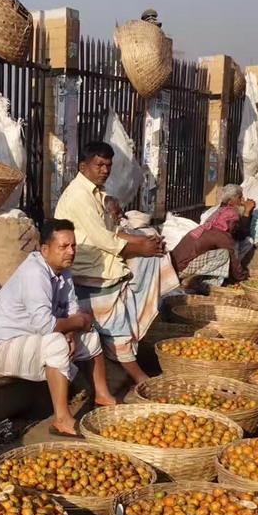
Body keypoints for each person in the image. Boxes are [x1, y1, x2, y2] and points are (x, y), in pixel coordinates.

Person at [0, 219, 116, 437]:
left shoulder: (63, 271)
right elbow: (47, 325)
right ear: (44, 249)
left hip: (32, 339)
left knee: (90, 337)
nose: (71, 251)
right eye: (63, 246)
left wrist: (72, 330)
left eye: (73, 246)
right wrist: (77, 323)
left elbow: (71, 310)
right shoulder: (35, 274)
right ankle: (61, 419)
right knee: (56, 343)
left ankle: (102, 396)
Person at [56, 142, 178, 385]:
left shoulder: (96, 193)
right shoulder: (79, 196)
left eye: (108, 165)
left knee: (151, 248)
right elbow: (104, 238)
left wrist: (143, 242)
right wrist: (140, 247)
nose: (105, 170)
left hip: (98, 254)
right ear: (83, 166)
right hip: (89, 264)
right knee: (117, 320)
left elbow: (111, 231)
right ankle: (139, 377)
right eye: (99, 165)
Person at [170, 184, 255, 284]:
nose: (242, 200)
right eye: (240, 197)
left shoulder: (216, 217)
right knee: (224, 254)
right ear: (230, 201)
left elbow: (239, 234)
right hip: (181, 269)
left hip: (174, 265)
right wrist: (242, 278)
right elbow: (233, 258)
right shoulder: (221, 234)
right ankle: (201, 283)